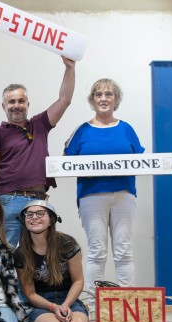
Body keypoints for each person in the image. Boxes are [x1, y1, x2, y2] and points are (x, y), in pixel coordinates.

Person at [0, 57, 76, 248]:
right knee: (9, 254)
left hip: (39, 201)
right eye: (11, 101)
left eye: (21, 101)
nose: (16, 105)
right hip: (9, 201)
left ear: (27, 103)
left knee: (40, 254)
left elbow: (65, 100)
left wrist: (70, 68)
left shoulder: (40, 124)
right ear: (3, 106)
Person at [64, 79, 144, 300]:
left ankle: (128, 303)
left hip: (123, 195)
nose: (103, 98)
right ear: (92, 100)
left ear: (115, 99)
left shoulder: (127, 129)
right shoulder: (82, 130)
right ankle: (90, 304)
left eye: (108, 94)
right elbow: (66, 162)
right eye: (98, 94)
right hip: (92, 196)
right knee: (97, 252)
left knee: (124, 250)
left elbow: (140, 159)